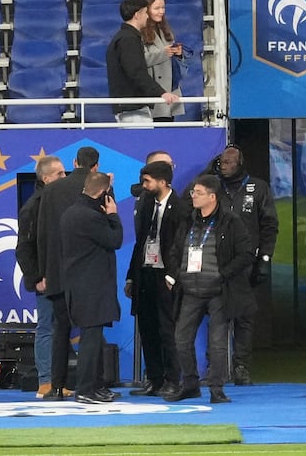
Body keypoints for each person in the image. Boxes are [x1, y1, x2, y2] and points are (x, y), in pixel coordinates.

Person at [161, 175, 252, 403]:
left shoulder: (231, 222)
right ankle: (190, 384)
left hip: (219, 290)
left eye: (199, 193)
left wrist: (223, 275)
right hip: (190, 290)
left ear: (213, 197)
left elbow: (245, 254)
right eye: (193, 192)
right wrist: (175, 274)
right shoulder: (188, 221)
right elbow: (175, 251)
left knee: (217, 342)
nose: (193, 196)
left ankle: (216, 388)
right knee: (181, 339)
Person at [207, 145, 279, 385]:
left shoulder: (257, 187)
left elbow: (269, 225)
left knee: (244, 317)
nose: (224, 166)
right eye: (221, 162)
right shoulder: (213, 186)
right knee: (216, 314)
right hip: (216, 262)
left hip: (246, 262)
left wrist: (265, 258)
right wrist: (210, 170)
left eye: (228, 162)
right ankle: (215, 367)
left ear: (240, 163)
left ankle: (241, 366)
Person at [35, 145, 98, 401]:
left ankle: (56, 387)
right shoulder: (99, 186)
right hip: (88, 271)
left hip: (58, 272)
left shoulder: (50, 191)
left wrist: (44, 272)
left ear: (74, 162)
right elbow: (106, 233)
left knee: (60, 329)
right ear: (95, 166)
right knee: (90, 329)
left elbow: (43, 236)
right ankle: (87, 388)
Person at [59, 170, 124, 404]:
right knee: (90, 339)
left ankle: (95, 386)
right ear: (102, 194)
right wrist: (114, 215)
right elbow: (115, 240)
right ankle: (86, 389)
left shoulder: (72, 212)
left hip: (80, 285)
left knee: (94, 340)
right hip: (92, 287)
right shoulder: (90, 216)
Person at [125, 159, 186, 397]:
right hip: (146, 274)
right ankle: (154, 379)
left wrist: (173, 276)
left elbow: (182, 247)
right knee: (148, 329)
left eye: (148, 181)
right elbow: (140, 243)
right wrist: (131, 277)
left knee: (167, 331)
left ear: (163, 181)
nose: (144, 185)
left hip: (166, 277)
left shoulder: (180, 208)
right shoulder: (145, 204)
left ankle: (173, 380)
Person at [14, 154, 66, 396]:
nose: (65, 178)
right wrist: (36, 278)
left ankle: (59, 380)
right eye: (60, 174)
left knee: (61, 328)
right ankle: (45, 381)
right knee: (47, 327)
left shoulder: (61, 202)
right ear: (46, 178)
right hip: (45, 279)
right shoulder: (33, 207)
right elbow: (23, 248)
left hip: (63, 275)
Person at [108, 0, 180, 123]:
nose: (148, 16)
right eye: (146, 13)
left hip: (135, 105)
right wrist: (161, 93)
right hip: (132, 105)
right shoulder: (128, 39)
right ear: (137, 15)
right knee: (140, 141)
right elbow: (136, 72)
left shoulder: (126, 37)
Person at [140, 0, 185, 121]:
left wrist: (178, 53)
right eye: (157, 8)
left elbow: (172, 58)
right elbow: (139, 61)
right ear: (147, 10)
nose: (161, 11)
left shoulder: (165, 30)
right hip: (154, 89)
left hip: (170, 87)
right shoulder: (140, 33)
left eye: (163, 8)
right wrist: (163, 54)